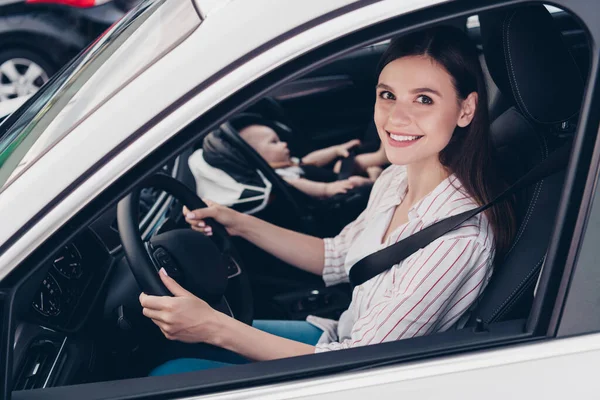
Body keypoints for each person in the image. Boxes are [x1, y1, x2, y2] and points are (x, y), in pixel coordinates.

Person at [139, 25, 516, 375]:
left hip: (349, 373)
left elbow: (358, 366)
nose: (397, 116)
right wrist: (237, 222)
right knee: (161, 350)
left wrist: (213, 326)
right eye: (387, 95)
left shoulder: (456, 241)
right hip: (336, 336)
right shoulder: (396, 178)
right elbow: (336, 256)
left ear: (465, 110)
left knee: (168, 374)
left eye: (423, 99)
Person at [238, 123, 372, 198]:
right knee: (356, 182)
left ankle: (376, 168)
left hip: (334, 178)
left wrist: (336, 150)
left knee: (343, 163)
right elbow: (301, 184)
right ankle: (375, 177)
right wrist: (326, 189)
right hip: (331, 193)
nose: (283, 144)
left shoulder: (288, 164)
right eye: (274, 142)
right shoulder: (281, 176)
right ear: (257, 156)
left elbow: (312, 160)